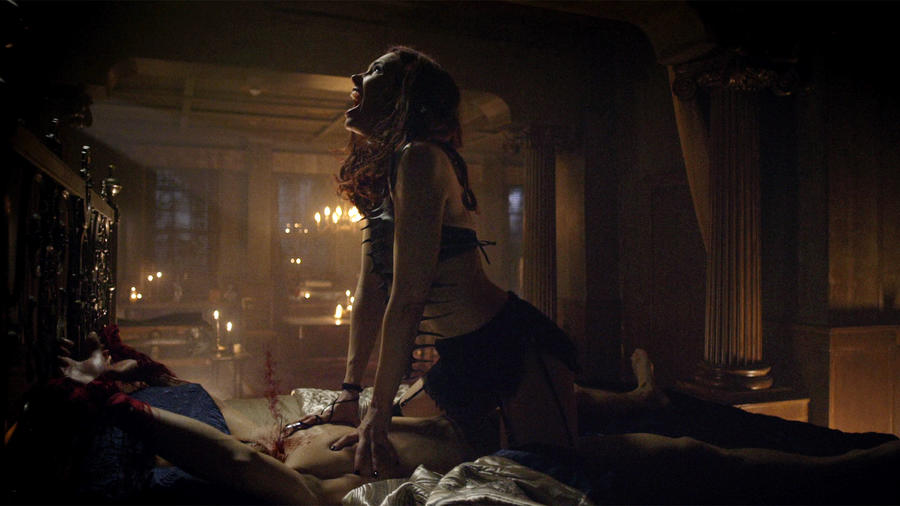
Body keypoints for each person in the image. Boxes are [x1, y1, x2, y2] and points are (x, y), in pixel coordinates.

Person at [8, 333, 899, 505]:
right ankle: (857, 471)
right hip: (489, 477)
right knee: (687, 460)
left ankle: (853, 464)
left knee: (673, 441)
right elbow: (242, 466)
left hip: (478, 443)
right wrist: (120, 406)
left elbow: (234, 431)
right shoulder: (246, 474)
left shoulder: (229, 424)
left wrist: (114, 379)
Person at [285, 45, 579, 480]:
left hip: (511, 344)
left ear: (403, 95)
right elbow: (371, 290)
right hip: (458, 356)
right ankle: (617, 398)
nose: (356, 78)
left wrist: (376, 414)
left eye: (375, 70)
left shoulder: (420, 158)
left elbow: (408, 296)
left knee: (554, 472)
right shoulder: (386, 173)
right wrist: (350, 394)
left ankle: (641, 402)